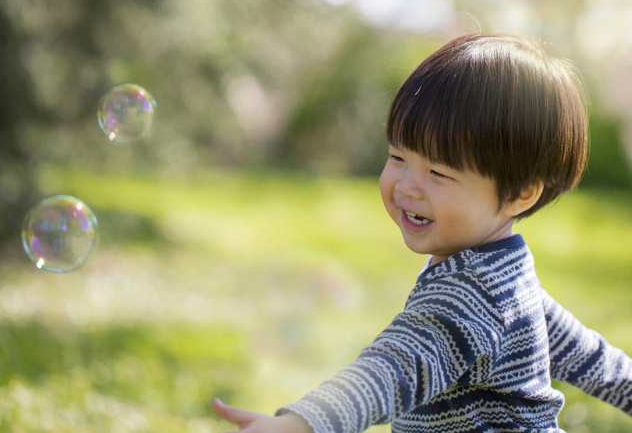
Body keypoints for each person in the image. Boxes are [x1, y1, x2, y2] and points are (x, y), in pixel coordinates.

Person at [212, 34, 632, 433]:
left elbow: (398, 366)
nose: (407, 185)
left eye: (438, 172)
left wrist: (304, 422)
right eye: (398, 156)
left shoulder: (473, 295)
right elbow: (589, 358)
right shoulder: (505, 273)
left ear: (520, 194)